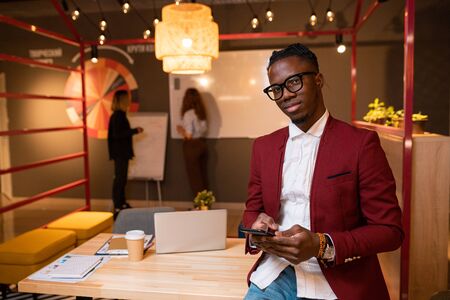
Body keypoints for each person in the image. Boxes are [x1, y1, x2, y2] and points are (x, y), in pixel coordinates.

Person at [242, 43, 403, 300]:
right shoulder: (263, 147)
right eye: (276, 88)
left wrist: (321, 245)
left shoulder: (361, 144)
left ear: (318, 80)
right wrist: (257, 225)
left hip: (340, 281)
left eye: (294, 82)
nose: (285, 94)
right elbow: (252, 209)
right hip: (275, 273)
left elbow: (389, 231)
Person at [108, 90, 143, 218]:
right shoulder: (118, 116)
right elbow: (118, 134)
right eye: (127, 98)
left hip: (122, 153)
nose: (129, 101)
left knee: (122, 179)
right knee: (119, 179)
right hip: (120, 153)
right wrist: (134, 131)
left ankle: (122, 203)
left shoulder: (120, 115)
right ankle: (118, 206)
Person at [176, 88, 208, 197]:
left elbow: (188, 135)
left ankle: (199, 206)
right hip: (202, 144)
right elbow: (204, 130)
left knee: (194, 178)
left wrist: (181, 130)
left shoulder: (188, 114)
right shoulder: (201, 112)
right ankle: (205, 204)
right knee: (202, 176)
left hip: (192, 146)